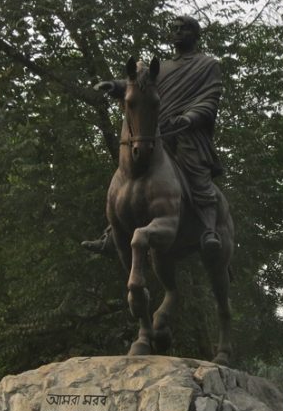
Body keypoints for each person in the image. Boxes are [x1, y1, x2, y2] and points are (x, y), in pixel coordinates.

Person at [84, 14, 224, 255]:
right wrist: (114, 86)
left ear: (195, 35)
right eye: (174, 28)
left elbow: (209, 98)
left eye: (184, 29)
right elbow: (137, 84)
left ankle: (209, 230)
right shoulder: (162, 68)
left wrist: (189, 118)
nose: (178, 32)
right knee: (128, 175)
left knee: (198, 176)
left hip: (186, 134)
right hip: (155, 134)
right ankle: (112, 229)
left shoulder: (207, 65)